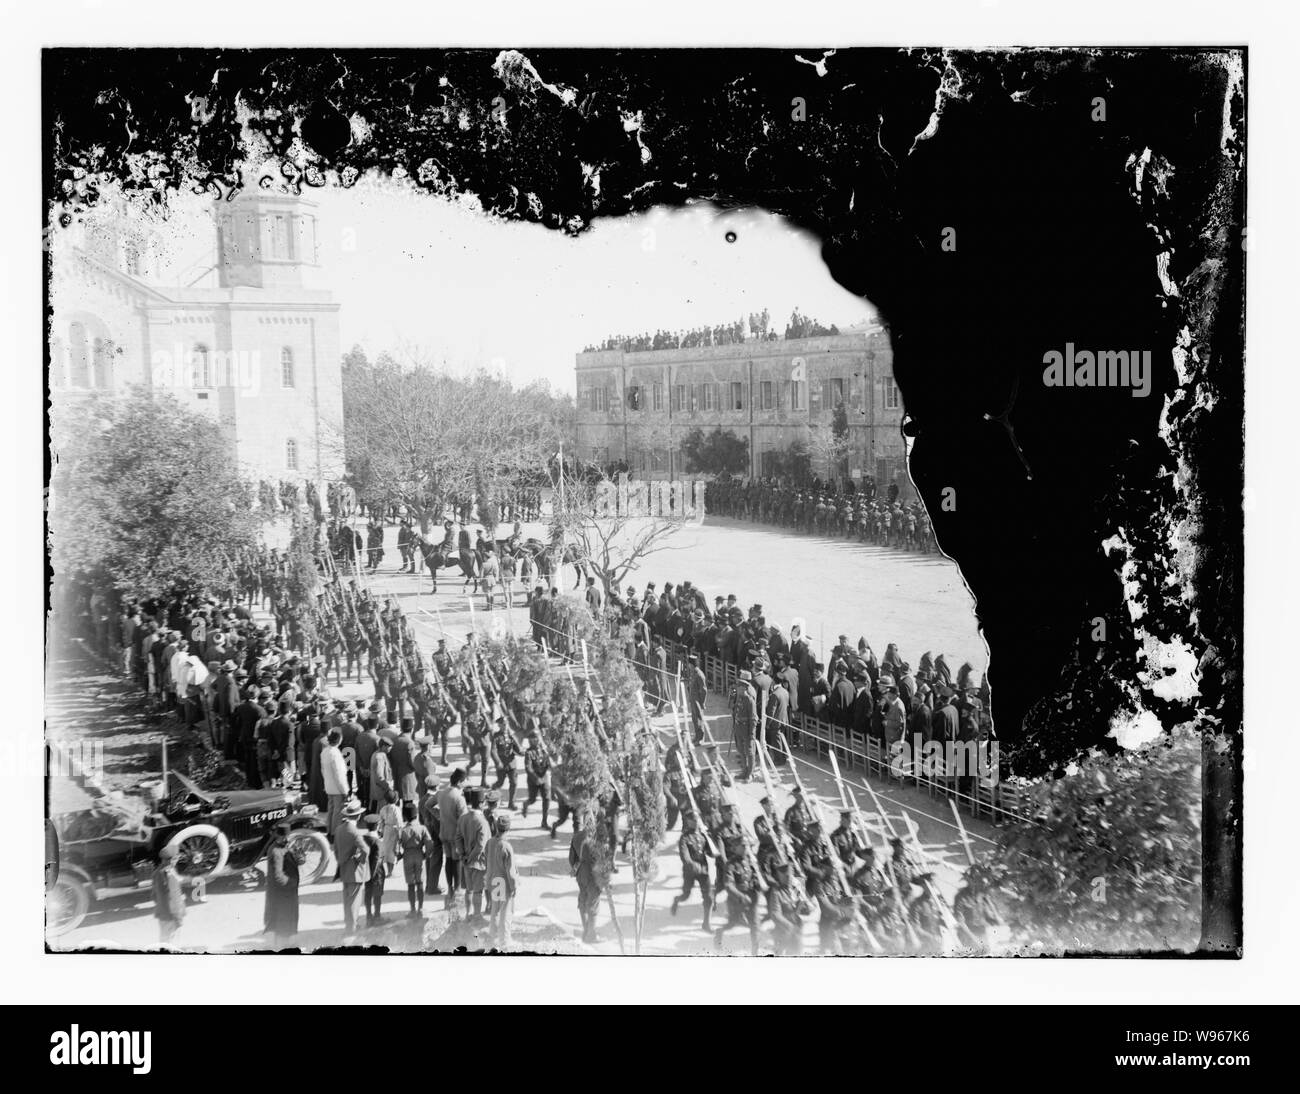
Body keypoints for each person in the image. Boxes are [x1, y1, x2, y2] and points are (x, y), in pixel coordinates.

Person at [670, 812, 713, 931]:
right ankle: (677, 900)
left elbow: (710, 853)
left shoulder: (703, 836)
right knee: (686, 895)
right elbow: (685, 857)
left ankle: (706, 923)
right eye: (693, 820)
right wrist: (693, 865)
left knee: (709, 897)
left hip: (703, 870)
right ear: (688, 822)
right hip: (690, 871)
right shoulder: (684, 838)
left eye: (697, 820)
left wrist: (711, 842)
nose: (695, 822)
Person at [334, 799, 370, 938]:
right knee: (355, 901)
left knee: (346, 900)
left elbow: (336, 850)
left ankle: (349, 924)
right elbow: (366, 850)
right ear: (359, 815)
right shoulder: (355, 832)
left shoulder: (339, 829)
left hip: (343, 868)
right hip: (354, 870)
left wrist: (341, 860)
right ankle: (352, 928)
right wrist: (360, 859)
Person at [457, 786, 491, 923]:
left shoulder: (463, 818)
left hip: (465, 861)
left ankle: (468, 914)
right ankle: (477, 916)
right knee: (478, 891)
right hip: (478, 861)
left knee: (468, 890)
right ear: (482, 803)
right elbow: (481, 845)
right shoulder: (482, 822)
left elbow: (458, 838)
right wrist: (470, 857)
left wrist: (463, 856)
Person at [263, 821, 300, 947]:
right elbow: (278, 876)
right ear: (280, 837)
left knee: (284, 919)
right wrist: (292, 883)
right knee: (283, 921)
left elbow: (295, 860)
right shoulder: (276, 852)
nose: (288, 839)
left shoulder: (284, 846)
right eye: (286, 837)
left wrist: (299, 856)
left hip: (284, 892)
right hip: (283, 892)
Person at [485, 812, 518, 948]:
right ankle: (505, 941)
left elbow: (486, 857)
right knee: (505, 913)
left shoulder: (490, 842)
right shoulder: (506, 846)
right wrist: (514, 886)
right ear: (508, 829)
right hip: (504, 883)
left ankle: (492, 939)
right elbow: (511, 872)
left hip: (493, 881)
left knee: (495, 911)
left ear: (496, 827)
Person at [569, 809, 601, 944]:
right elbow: (602, 858)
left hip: (581, 872)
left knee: (583, 900)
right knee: (593, 903)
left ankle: (585, 929)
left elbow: (572, 859)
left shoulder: (576, 836)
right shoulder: (598, 837)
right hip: (593, 873)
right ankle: (591, 934)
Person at [398, 801, 434, 918]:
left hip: (407, 856)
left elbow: (396, 846)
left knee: (410, 884)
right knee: (420, 882)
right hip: (419, 855)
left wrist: (399, 855)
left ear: (405, 816)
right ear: (416, 815)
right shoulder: (422, 828)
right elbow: (429, 843)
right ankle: (421, 908)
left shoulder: (402, 830)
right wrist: (426, 854)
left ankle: (412, 909)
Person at [437, 768, 468, 908]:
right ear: (460, 782)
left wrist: (440, 817)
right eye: (465, 780)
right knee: (457, 862)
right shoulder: (459, 798)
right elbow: (464, 820)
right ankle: (457, 889)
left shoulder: (442, 793)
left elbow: (428, 805)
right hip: (456, 835)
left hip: (444, 832)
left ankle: (449, 887)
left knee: (448, 860)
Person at [151, 844, 186, 948]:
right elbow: (174, 898)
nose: (177, 860)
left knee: (164, 941)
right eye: (176, 858)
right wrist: (178, 918)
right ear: (172, 860)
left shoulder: (157, 872)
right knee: (172, 945)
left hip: (162, 914)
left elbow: (153, 895)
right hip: (172, 916)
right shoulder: (170, 874)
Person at [320, 729, 350, 838]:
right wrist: (345, 791)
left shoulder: (325, 751)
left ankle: (329, 831)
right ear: (339, 740)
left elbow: (323, 770)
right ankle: (334, 833)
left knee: (331, 810)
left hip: (328, 785)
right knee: (338, 812)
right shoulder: (335, 754)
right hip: (337, 788)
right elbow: (339, 775)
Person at [361, 813, 387, 927]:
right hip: (376, 873)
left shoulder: (363, 838)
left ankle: (368, 916)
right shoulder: (377, 842)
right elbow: (377, 859)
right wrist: (373, 874)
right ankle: (377, 917)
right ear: (377, 825)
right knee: (377, 895)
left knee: (367, 894)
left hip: (366, 871)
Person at [522, 735, 553, 826]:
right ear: (530, 740)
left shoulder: (545, 751)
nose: (536, 740)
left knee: (547, 799)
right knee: (532, 800)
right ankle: (526, 805)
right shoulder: (529, 752)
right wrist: (536, 778)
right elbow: (528, 768)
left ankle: (544, 821)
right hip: (533, 780)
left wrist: (552, 768)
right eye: (533, 738)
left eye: (537, 738)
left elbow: (549, 763)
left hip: (544, 779)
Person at [369, 735, 394, 813]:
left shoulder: (379, 754)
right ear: (383, 746)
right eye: (389, 747)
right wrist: (388, 787)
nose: (390, 749)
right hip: (380, 793)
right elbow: (379, 778)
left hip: (378, 791)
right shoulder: (378, 757)